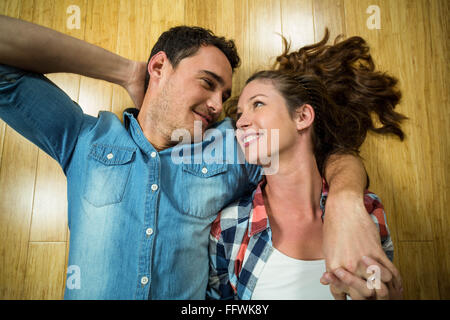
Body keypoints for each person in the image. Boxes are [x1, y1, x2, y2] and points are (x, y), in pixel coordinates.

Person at [0, 15, 399, 299]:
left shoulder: (231, 146)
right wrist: (124, 71)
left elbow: (319, 150)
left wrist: (346, 200)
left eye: (225, 97)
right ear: (160, 66)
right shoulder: (83, 138)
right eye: (208, 84)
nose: (216, 105)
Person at [207, 29, 406, 300]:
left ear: (302, 116)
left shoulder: (367, 211)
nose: (240, 122)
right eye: (240, 113)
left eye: (258, 104)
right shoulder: (229, 226)